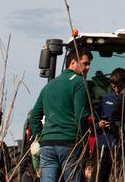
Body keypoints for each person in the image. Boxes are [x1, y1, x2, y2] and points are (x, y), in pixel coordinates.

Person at [28, 48, 92, 182]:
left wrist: (40, 138)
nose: (88, 67)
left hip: (47, 145)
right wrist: (83, 142)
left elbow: (34, 117)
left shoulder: (49, 86)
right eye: (85, 63)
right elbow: (80, 116)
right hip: (69, 144)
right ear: (73, 63)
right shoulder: (79, 83)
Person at [95, 67, 125, 182]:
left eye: (120, 86)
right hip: (103, 146)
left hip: (121, 146)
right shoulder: (105, 99)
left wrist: (117, 127)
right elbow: (94, 124)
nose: (117, 89)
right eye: (114, 87)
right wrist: (99, 125)